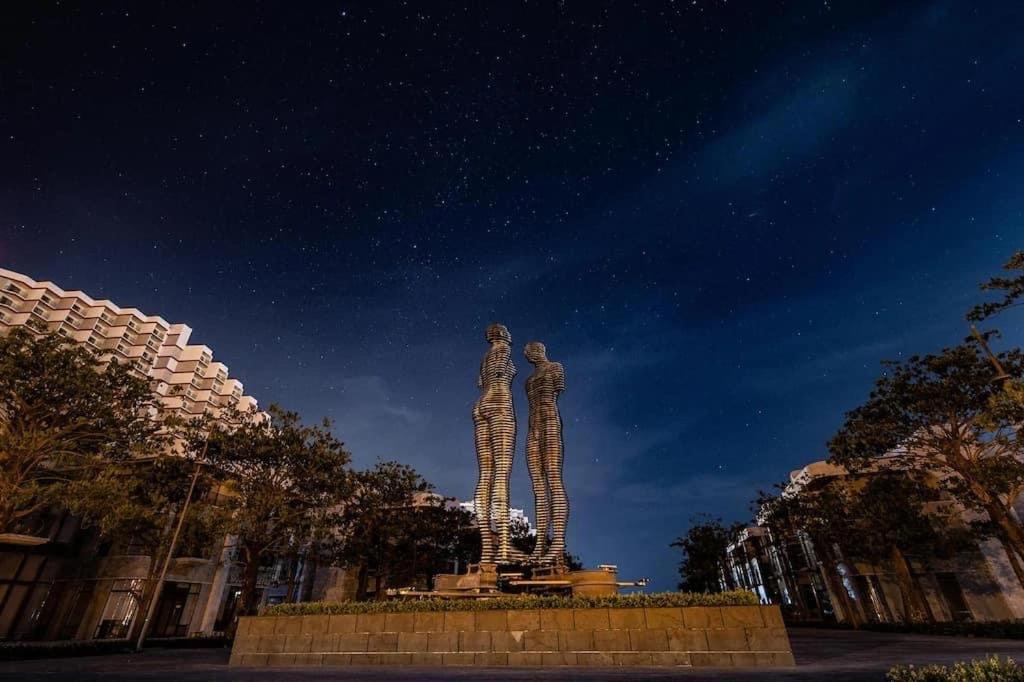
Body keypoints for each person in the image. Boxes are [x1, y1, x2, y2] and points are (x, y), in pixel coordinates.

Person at [472, 323, 517, 562]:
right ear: (502, 334)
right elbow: (500, 373)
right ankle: (503, 547)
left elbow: (481, 382)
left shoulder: (484, 356)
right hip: (499, 401)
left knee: (485, 475)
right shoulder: (503, 350)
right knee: (501, 472)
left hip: (481, 404)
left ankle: (487, 549)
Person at [524, 340, 568, 566]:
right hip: (533, 427)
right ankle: (540, 543)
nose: (527, 353)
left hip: (549, 420)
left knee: (553, 478)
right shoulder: (528, 380)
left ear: (540, 350)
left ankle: (558, 541)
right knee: (538, 487)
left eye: (530, 349)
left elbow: (557, 392)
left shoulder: (556, 367)